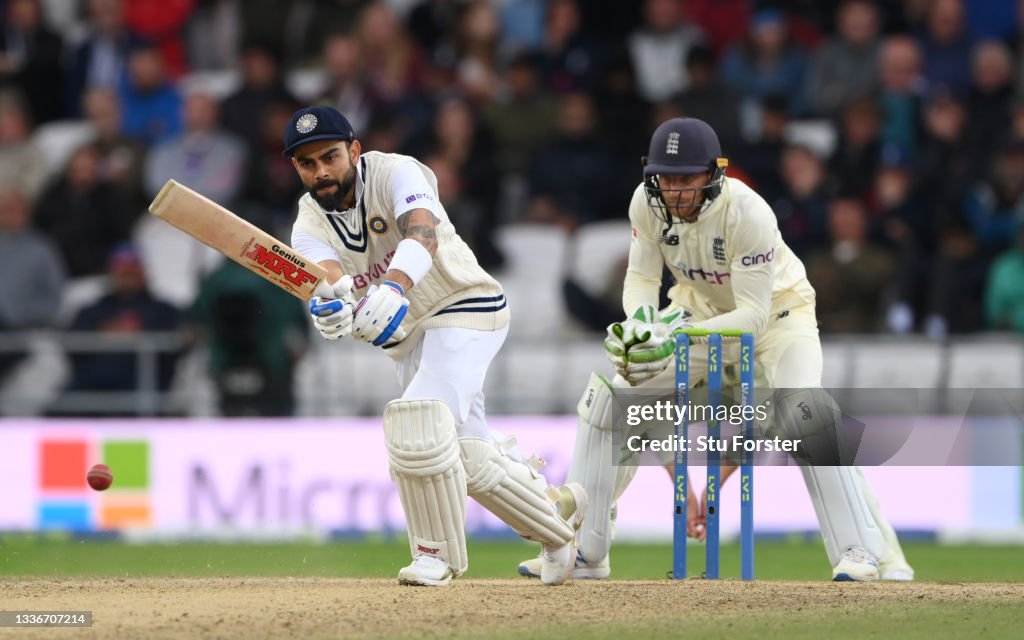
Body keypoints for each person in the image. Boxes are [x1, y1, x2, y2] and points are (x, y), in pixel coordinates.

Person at [517, 117, 914, 582]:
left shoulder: (749, 213)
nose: (675, 191)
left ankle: (860, 551)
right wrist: (643, 327)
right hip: (696, 311)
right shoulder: (645, 204)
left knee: (803, 409)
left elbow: (751, 316)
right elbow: (642, 278)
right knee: (610, 398)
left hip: (778, 316)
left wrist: (677, 338)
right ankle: (586, 550)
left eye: (686, 179)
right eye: (666, 178)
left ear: (713, 174)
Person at [284, 105, 586, 587]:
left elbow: (422, 233)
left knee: (417, 421)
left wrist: (393, 288)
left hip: (466, 305)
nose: (321, 172)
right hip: (410, 341)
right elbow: (330, 279)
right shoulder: (307, 220)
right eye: (307, 164)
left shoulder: (397, 171)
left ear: (354, 150)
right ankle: (559, 526)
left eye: (330, 157)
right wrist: (334, 308)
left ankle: (434, 557)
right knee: (469, 457)